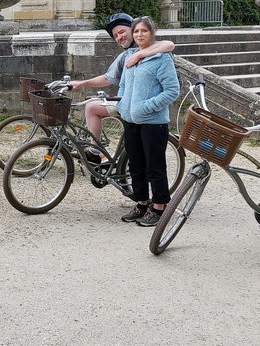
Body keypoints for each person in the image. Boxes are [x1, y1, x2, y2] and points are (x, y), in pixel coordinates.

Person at [68, 13, 174, 163]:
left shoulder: (152, 49)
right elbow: (107, 78)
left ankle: (94, 152)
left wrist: (141, 54)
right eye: (115, 36)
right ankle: (96, 152)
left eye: (122, 32)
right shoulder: (126, 55)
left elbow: (169, 44)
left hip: (146, 109)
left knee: (153, 170)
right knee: (91, 106)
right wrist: (81, 83)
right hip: (129, 104)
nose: (119, 37)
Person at [117, 16, 179, 226]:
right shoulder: (130, 56)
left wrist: (146, 107)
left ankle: (159, 206)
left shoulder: (162, 58)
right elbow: (123, 86)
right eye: (136, 32)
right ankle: (142, 203)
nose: (139, 35)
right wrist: (124, 105)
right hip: (131, 120)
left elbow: (172, 91)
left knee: (155, 166)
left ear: (152, 33)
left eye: (144, 31)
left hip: (153, 122)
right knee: (136, 165)